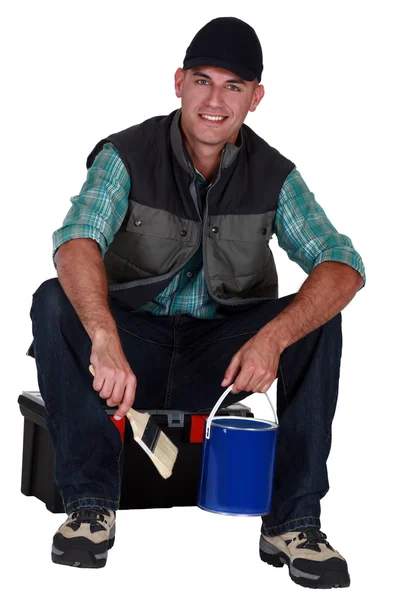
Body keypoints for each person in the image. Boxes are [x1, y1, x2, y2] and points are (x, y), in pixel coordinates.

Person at [29, 16, 365, 588]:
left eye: (234, 86)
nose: (215, 100)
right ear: (179, 81)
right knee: (54, 300)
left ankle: (293, 522)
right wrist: (105, 337)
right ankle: (89, 507)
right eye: (203, 81)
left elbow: (343, 266)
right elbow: (77, 241)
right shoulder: (126, 155)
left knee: (318, 324)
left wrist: (272, 339)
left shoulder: (275, 175)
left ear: (255, 98)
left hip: (223, 364)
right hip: (131, 352)